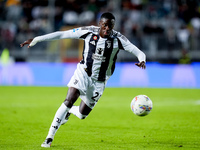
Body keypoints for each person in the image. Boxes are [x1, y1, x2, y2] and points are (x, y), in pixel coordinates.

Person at [20, 12, 146, 148]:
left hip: (100, 82)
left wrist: (142, 60)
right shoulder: (88, 32)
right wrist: (37, 39)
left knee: (81, 115)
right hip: (83, 73)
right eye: (104, 25)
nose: (107, 28)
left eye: (110, 26)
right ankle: (49, 138)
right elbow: (62, 34)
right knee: (69, 100)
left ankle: (69, 111)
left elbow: (138, 52)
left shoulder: (118, 39)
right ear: (100, 24)